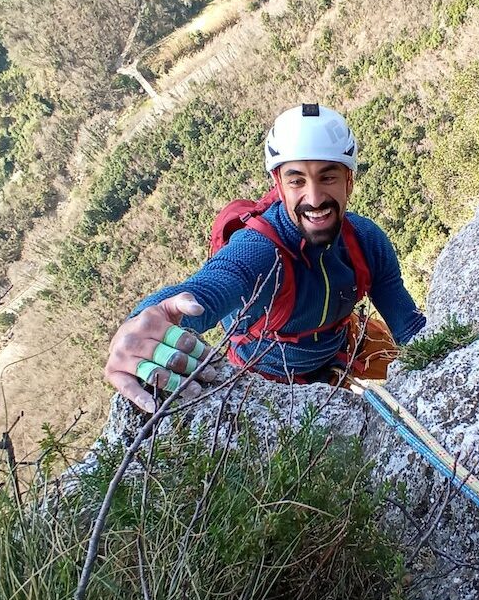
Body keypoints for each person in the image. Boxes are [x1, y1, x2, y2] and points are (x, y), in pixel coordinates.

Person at [105, 104, 426, 412]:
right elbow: (208, 287)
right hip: (272, 382)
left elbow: (408, 325)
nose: (314, 198)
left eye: (328, 177)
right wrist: (144, 324)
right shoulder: (260, 251)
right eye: (297, 180)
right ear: (280, 185)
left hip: (344, 346)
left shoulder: (366, 241)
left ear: (349, 182)